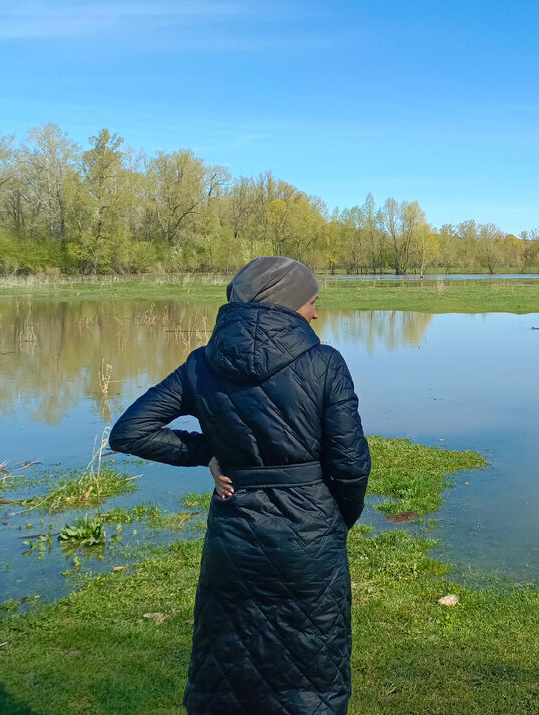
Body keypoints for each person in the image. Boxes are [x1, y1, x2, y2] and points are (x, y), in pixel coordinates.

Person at [110, 256, 371, 715]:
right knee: (312, 663)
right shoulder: (324, 363)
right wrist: (335, 521)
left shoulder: (200, 365)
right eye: (312, 302)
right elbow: (350, 465)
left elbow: (131, 431)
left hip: (233, 533)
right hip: (309, 534)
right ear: (289, 303)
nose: (315, 313)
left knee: (229, 660)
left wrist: (211, 452)